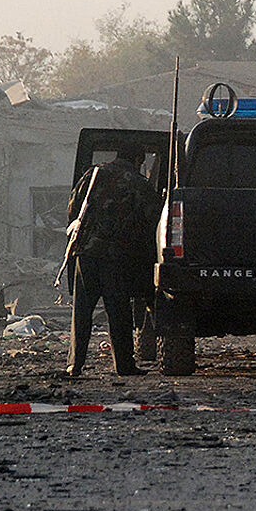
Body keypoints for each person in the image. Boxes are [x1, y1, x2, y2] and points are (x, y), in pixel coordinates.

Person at [66, 144, 162, 377]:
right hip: (116, 257)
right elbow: (155, 220)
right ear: (138, 158)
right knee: (118, 312)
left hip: (85, 252)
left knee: (81, 313)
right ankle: (124, 365)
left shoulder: (94, 173)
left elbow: (73, 208)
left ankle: (74, 365)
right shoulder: (138, 183)